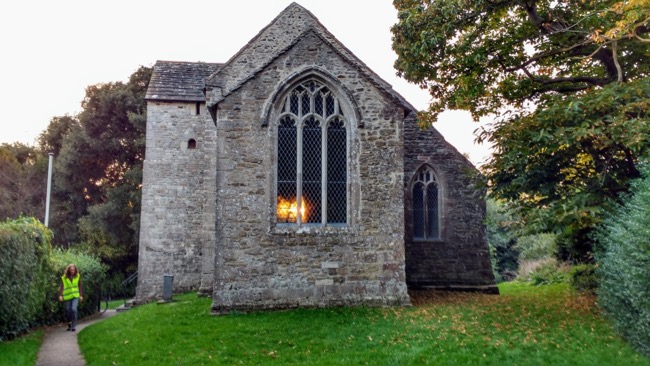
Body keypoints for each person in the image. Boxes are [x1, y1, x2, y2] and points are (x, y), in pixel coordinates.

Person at [58, 264, 83, 331]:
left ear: (75, 270)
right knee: (67, 310)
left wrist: (80, 295)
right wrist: (60, 295)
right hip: (67, 296)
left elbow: (80, 286)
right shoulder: (64, 277)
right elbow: (62, 287)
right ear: (68, 270)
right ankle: (69, 324)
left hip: (75, 296)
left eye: (73, 270)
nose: (72, 271)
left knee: (74, 309)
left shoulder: (77, 276)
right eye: (71, 270)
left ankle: (74, 326)